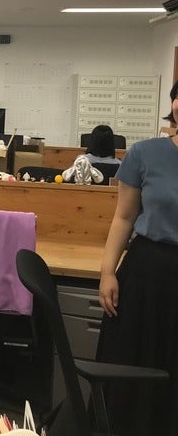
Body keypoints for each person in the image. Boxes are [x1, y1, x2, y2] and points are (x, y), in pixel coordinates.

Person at [96, 79, 178, 434]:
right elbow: (124, 218)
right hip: (147, 273)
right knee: (136, 363)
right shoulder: (145, 153)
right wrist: (107, 272)